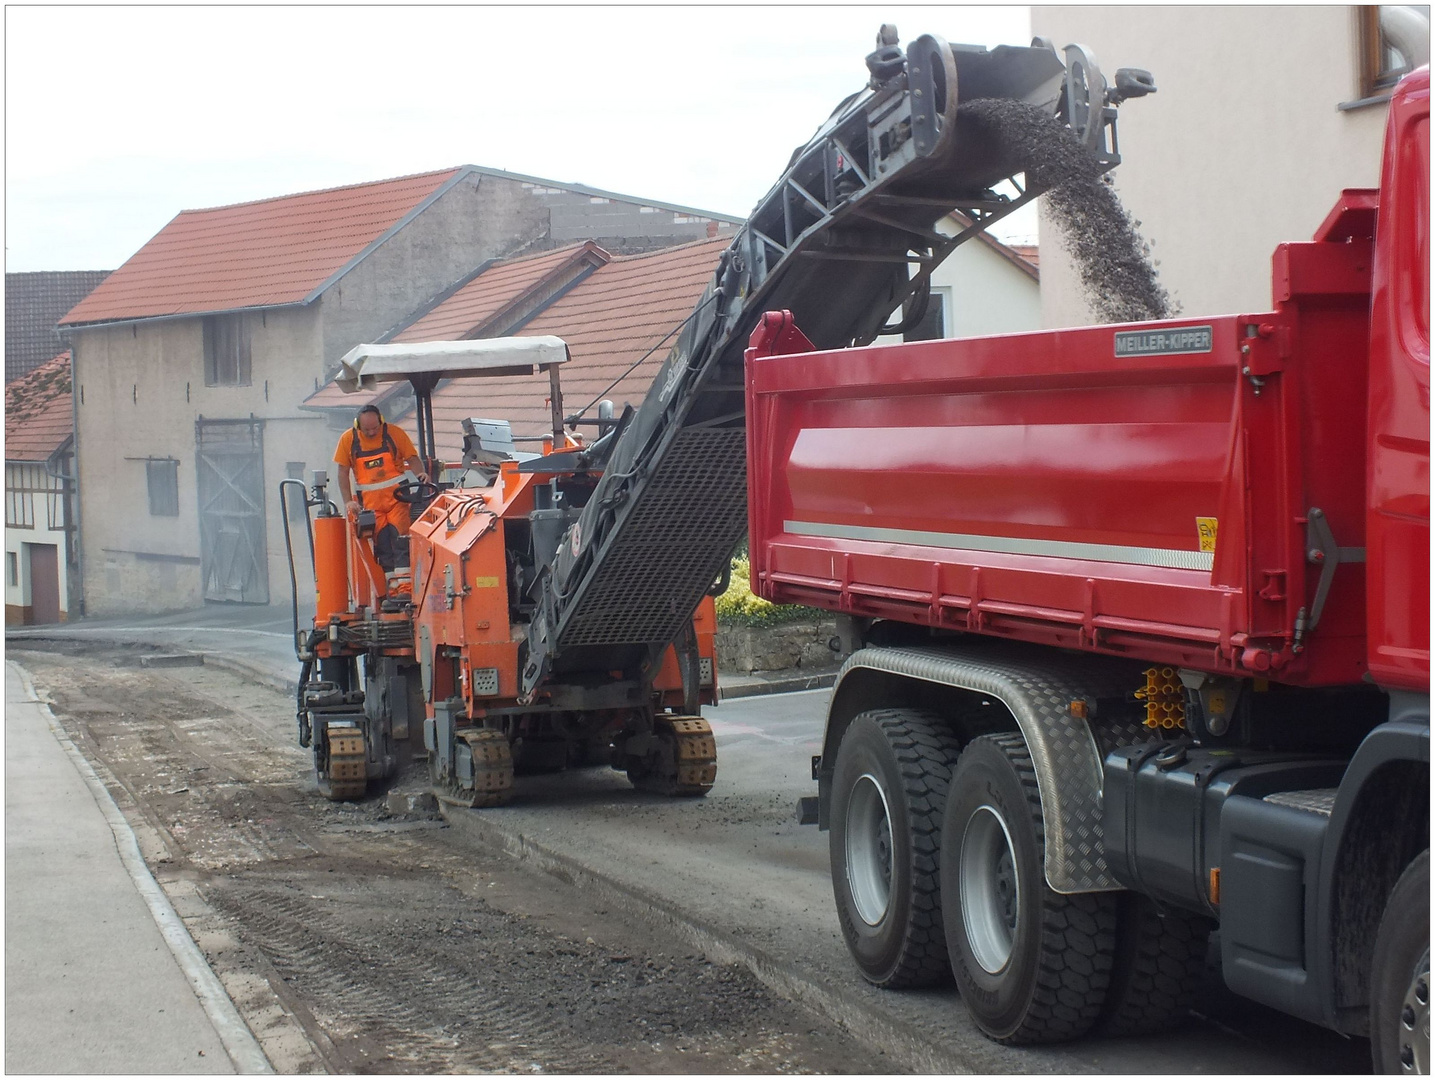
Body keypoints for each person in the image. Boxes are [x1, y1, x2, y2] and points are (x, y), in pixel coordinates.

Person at [333, 404, 428, 572]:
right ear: (357, 425)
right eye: (366, 429)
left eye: (375, 428)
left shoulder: (395, 434)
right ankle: (391, 587)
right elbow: (342, 472)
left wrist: (421, 474)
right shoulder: (348, 440)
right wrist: (348, 501)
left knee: (401, 541)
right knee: (383, 545)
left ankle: (404, 587)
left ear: (381, 421)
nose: (371, 432)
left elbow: (412, 458)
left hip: (398, 501)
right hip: (371, 506)